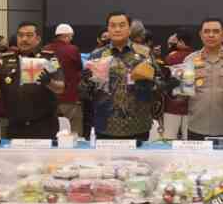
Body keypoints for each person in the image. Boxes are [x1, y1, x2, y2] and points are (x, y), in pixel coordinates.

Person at [80, 11, 161, 142]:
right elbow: (84, 94)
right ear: (108, 29)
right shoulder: (97, 55)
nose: (117, 29)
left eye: (122, 25)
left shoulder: (144, 53)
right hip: (106, 126)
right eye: (113, 25)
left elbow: (160, 84)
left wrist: (151, 84)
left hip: (138, 126)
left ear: (129, 29)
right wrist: (85, 82)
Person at [0, 21, 64, 138]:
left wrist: (48, 82)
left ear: (38, 39)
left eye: (29, 35)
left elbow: (60, 88)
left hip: (44, 126)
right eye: (20, 35)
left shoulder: (48, 59)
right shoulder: (3, 61)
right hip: (15, 125)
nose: (24, 39)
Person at [44, 23, 83, 135]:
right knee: (74, 133)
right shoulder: (72, 49)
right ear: (66, 36)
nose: (71, 39)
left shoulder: (45, 49)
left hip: (49, 99)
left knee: (51, 133)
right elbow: (79, 68)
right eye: (71, 37)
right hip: (70, 97)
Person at [162, 27, 194, 139]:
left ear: (180, 41)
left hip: (172, 106)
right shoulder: (196, 57)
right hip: (191, 107)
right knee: (190, 141)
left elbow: (164, 78)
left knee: (169, 139)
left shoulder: (171, 57)